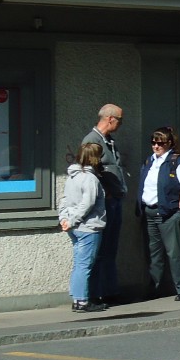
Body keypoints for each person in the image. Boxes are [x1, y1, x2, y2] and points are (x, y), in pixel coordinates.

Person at [138, 125, 180, 300]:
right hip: (150, 212)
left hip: (168, 214)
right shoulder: (150, 161)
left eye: (160, 143)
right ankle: (155, 288)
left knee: (174, 252)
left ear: (169, 143)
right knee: (153, 253)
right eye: (153, 143)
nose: (156, 146)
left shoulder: (177, 162)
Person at [82, 103, 126, 304]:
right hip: (104, 203)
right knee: (101, 249)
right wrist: (105, 193)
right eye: (120, 120)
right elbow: (89, 171)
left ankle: (109, 289)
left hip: (115, 200)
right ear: (110, 119)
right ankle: (97, 292)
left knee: (111, 248)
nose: (120, 124)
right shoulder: (92, 141)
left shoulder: (109, 140)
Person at [58, 142, 108, 313]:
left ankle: (78, 298)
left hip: (74, 227)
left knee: (79, 263)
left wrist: (64, 218)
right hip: (88, 227)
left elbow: (64, 200)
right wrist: (71, 220)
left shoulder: (72, 176)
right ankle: (82, 301)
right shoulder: (90, 178)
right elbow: (87, 204)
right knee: (84, 265)